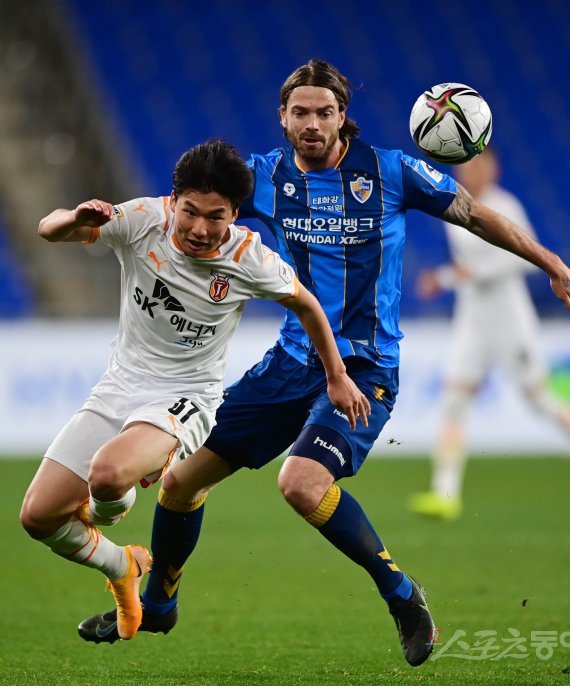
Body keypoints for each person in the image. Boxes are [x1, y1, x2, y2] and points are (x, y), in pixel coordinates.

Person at [78, 61, 570, 667]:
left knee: (300, 483)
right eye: (301, 112)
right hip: (291, 363)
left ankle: (402, 595)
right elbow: (185, 206)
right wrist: (110, 219)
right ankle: (159, 604)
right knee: (181, 482)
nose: (313, 124)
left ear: (343, 116)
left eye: (325, 112)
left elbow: (476, 214)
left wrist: (550, 263)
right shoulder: (263, 177)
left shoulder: (392, 172)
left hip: (365, 368)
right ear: (283, 117)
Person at [20, 138, 369, 642]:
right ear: (174, 200)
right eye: (190, 212)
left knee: (108, 474)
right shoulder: (144, 220)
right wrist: (75, 217)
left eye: (215, 216)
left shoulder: (249, 258)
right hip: (119, 386)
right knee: (37, 517)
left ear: (234, 215)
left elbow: (307, 305)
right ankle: (123, 565)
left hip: (186, 398)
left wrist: (336, 375)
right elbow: (48, 228)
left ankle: (105, 506)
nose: (200, 229)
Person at [407, 147, 570, 520]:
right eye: (464, 167)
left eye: (476, 166)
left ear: (491, 169)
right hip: (472, 319)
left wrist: (453, 277)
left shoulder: (504, 206)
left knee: (539, 399)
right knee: (454, 399)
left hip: (509, 318)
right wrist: (452, 277)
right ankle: (445, 493)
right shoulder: (455, 206)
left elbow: (524, 259)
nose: (469, 173)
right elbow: (466, 267)